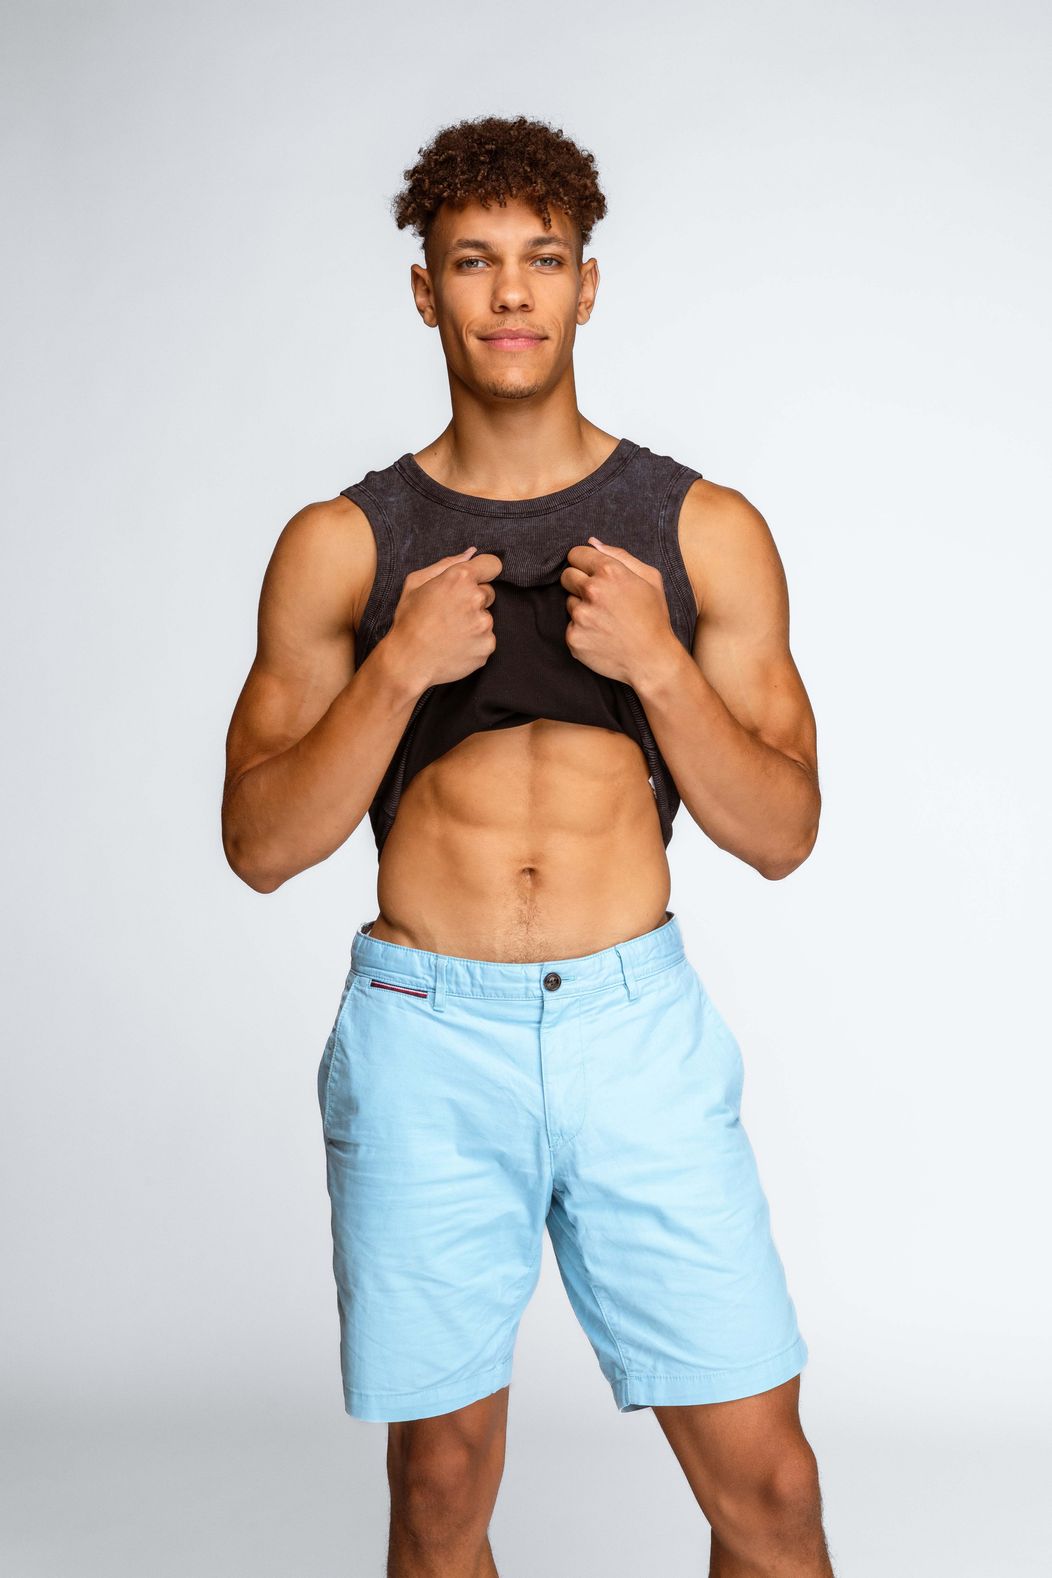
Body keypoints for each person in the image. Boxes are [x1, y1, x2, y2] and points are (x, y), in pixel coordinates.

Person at [221, 113, 834, 1578]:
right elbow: (259, 842)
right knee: (439, 1486)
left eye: (543, 260)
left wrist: (659, 664)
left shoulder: (703, 530)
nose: (511, 293)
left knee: (769, 1488)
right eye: (474, 261)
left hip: (635, 1031)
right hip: (428, 1033)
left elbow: (782, 832)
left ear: (587, 286)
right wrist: (399, 666)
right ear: (424, 291)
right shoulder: (345, 543)